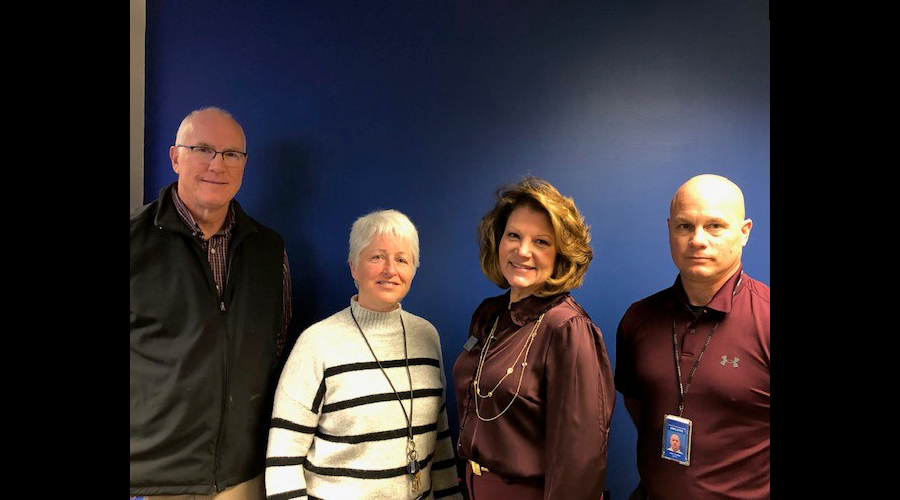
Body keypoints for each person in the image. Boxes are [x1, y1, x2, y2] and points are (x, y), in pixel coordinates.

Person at [131, 107, 293, 499]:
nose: (216, 165)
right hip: (152, 479)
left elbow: (275, 344)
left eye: (231, 154)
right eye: (202, 149)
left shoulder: (268, 250)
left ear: (244, 164)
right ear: (175, 158)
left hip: (243, 477)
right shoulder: (135, 245)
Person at [265, 209, 463, 500]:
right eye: (377, 257)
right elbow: (283, 457)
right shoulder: (317, 343)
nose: (390, 270)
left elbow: (440, 438)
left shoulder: (426, 337)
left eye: (401, 259)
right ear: (353, 268)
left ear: (413, 269)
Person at [453, 177, 615, 500]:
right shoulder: (488, 315)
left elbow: (579, 462)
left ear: (561, 254)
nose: (522, 250)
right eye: (513, 235)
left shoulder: (568, 329)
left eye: (541, 242)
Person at [615, 174, 770, 500]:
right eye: (685, 226)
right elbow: (637, 404)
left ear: (744, 233)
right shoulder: (638, 318)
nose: (698, 240)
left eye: (715, 226)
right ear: (670, 230)